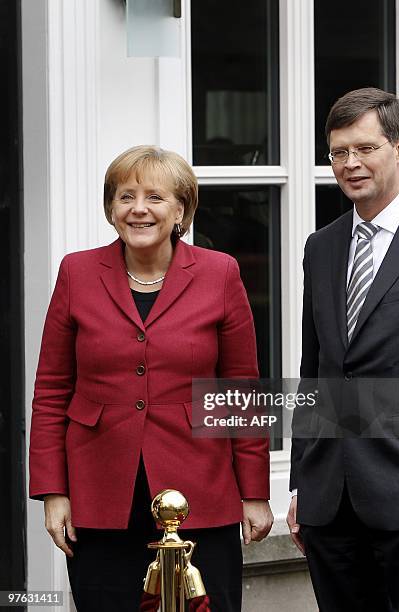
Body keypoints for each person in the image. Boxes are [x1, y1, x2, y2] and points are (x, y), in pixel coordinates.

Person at [29, 145, 273, 612]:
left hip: (202, 490)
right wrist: (53, 491)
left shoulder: (220, 273)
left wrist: (255, 493)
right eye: (125, 196)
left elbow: (241, 391)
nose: (138, 209)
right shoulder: (76, 272)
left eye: (155, 197)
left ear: (181, 209)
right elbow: (52, 389)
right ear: (111, 209)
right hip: (99, 495)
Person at [286, 88, 399, 612]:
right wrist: (299, 483)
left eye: (364, 148)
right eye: (337, 152)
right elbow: (316, 371)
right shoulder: (321, 246)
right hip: (330, 501)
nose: (349, 164)